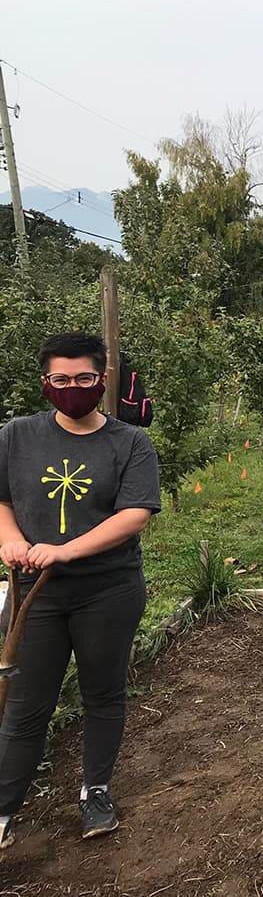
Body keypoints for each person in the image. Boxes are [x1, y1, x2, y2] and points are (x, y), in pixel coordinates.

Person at [0, 333, 161, 849]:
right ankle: (3, 806)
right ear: (46, 384)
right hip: (33, 595)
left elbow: (135, 514)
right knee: (25, 702)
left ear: (103, 379)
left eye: (84, 379)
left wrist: (66, 550)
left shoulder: (130, 442)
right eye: (61, 380)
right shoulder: (16, 436)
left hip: (108, 590)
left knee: (103, 691)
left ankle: (96, 791)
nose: (73, 388)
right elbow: (1, 501)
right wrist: (12, 541)